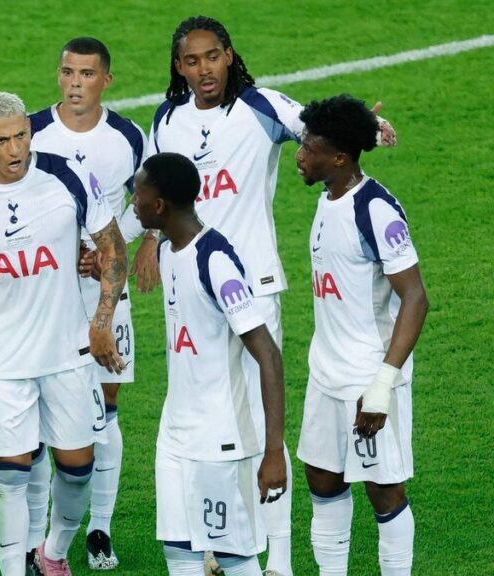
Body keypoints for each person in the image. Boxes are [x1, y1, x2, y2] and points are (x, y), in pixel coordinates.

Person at [148, 16, 396, 576]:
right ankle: (215, 544)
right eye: (191, 61)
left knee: (262, 423)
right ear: (178, 67)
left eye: (212, 56)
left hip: (252, 285)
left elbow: (319, 129)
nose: (203, 69)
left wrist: (368, 131)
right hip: (187, 288)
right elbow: (154, 187)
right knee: (206, 416)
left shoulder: (261, 107)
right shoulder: (167, 119)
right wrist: (144, 239)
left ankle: (276, 562)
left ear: (230, 56)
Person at [0, 92, 128, 576]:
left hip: (67, 352)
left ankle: (53, 552)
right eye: (2, 140)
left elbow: (113, 247)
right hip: (2, 360)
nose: (15, 149)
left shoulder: (66, 177)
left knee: (78, 468)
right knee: (10, 477)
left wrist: (102, 322)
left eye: (21, 136)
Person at [130, 152, 286, 576]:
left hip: (220, 440)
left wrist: (274, 452)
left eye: (138, 194)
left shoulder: (214, 260)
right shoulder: (167, 251)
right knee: (179, 553)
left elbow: (268, 354)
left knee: (234, 558)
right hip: (175, 434)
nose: (133, 202)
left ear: (159, 205)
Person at [28, 36, 150, 571]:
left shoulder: (127, 136)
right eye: (67, 72)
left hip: (106, 287)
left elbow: (149, 201)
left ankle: (99, 527)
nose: (75, 84)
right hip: (45, 291)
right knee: (40, 415)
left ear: (106, 80)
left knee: (107, 409)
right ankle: (39, 536)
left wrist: (111, 250)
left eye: (86, 74)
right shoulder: (31, 131)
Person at [295, 95, 427, 576]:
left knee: (384, 490)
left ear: (339, 158)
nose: (300, 153)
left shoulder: (377, 211)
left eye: (309, 147)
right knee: (323, 482)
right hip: (325, 374)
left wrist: (382, 385)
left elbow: (416, 299)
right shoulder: (328, 196)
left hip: (367, 380)